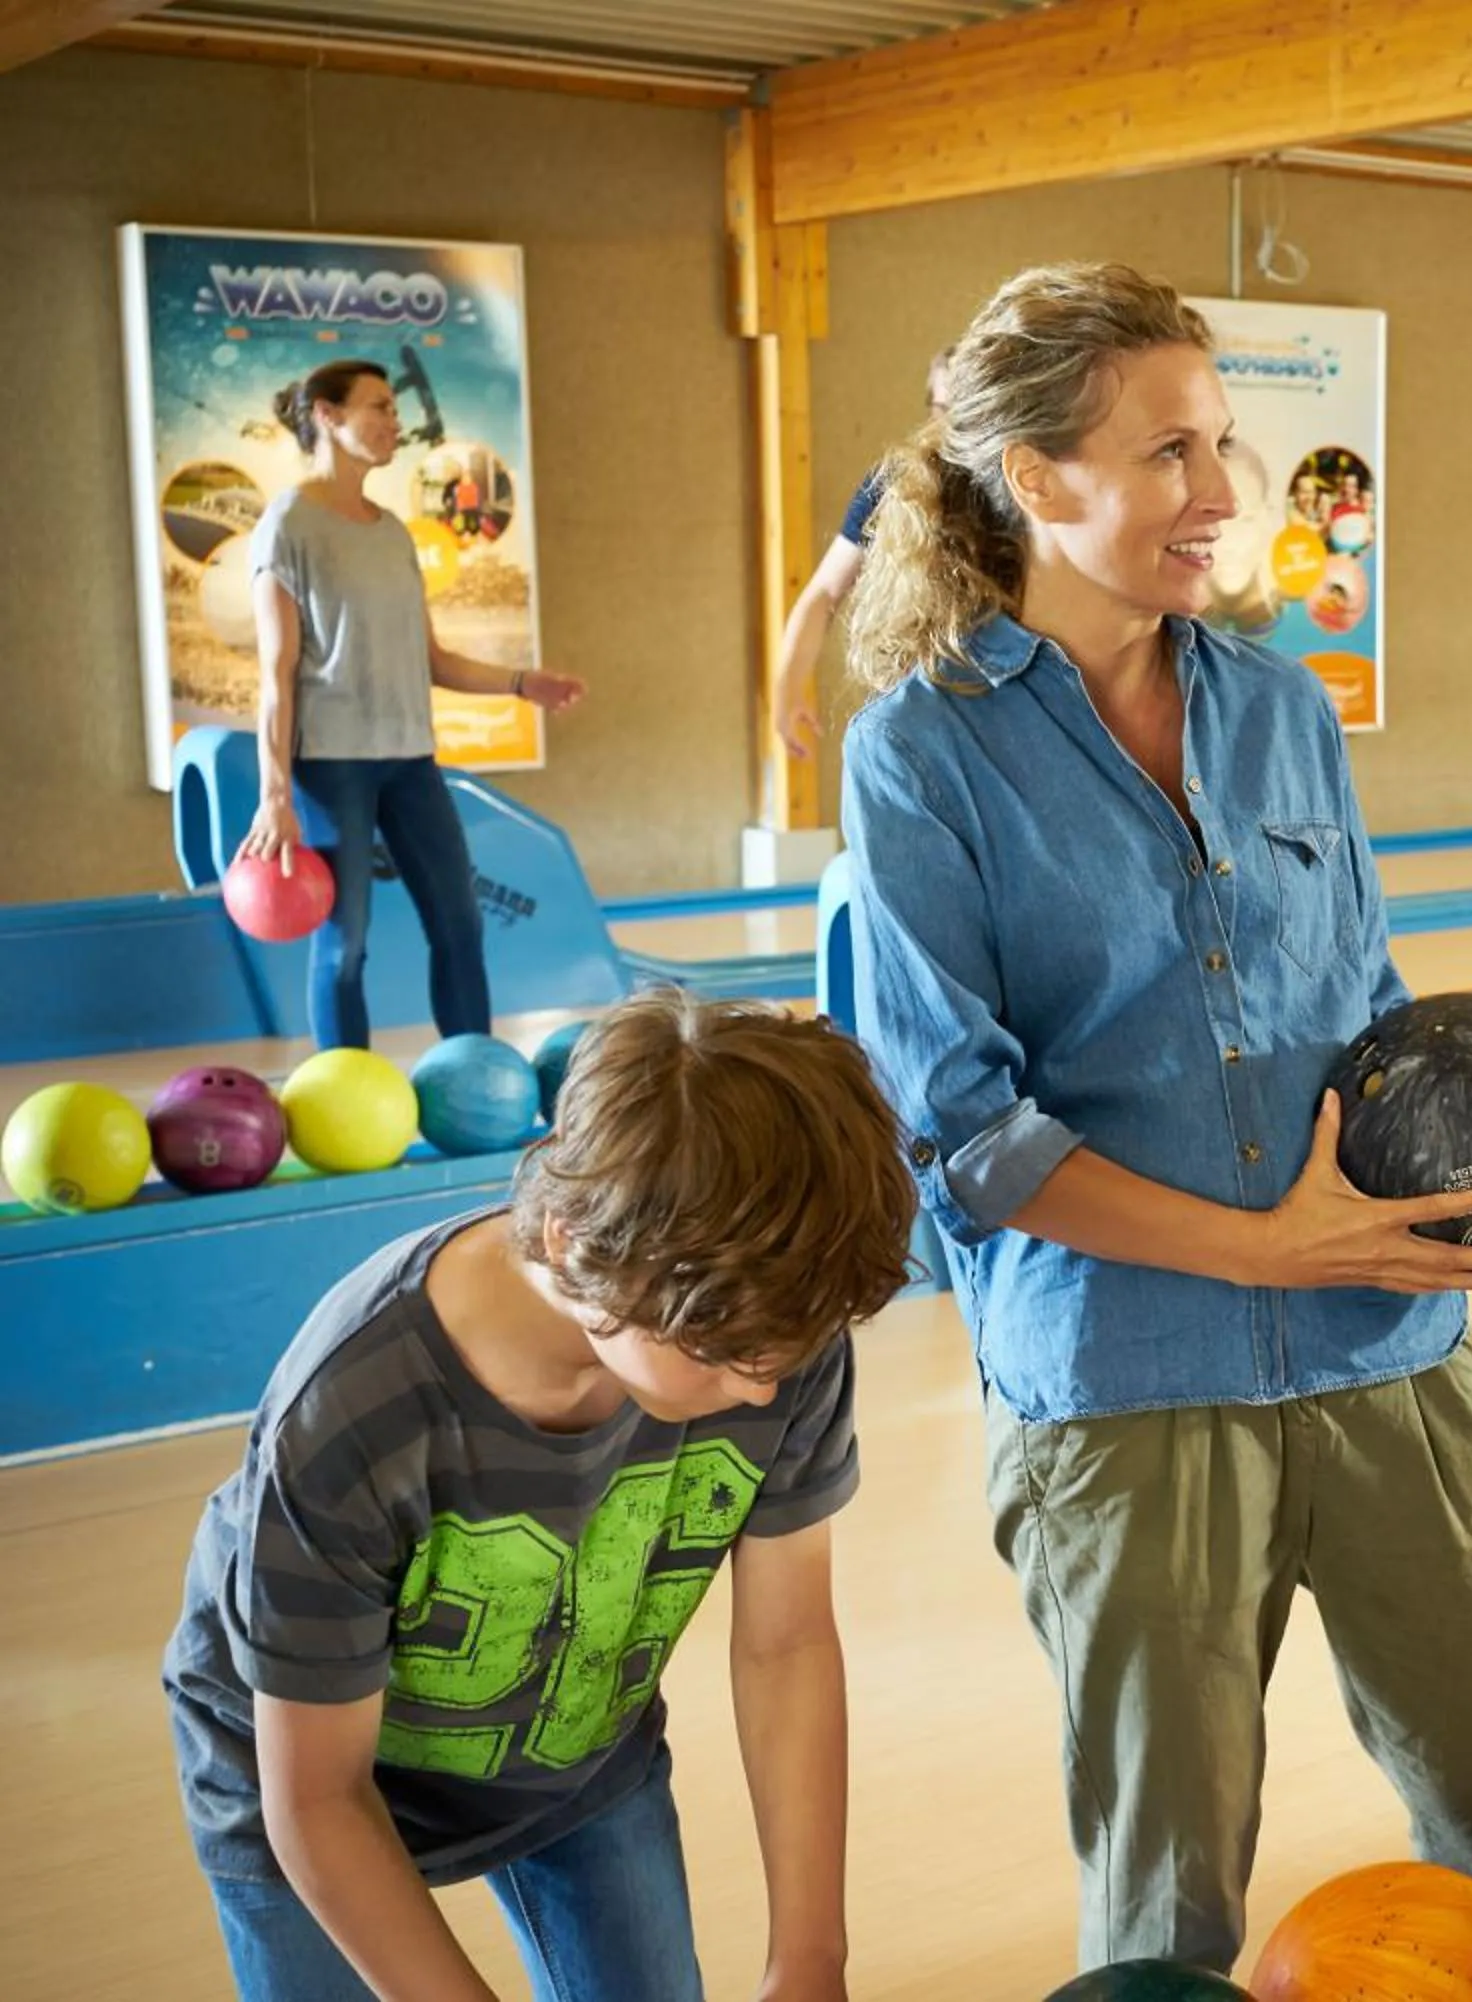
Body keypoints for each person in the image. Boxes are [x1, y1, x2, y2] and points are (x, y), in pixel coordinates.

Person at [837, 262, 1472, 1974]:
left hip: (1385, 1360)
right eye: (1170, 452)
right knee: (1168, 1913)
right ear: (1036, 480)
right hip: (1127, 1396)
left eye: (1223, 445)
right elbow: (962, 1136)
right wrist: (1258, 1240)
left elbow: (1370, 1008)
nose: (1222, 497)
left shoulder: (1284, 709)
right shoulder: (920, 760)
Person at [161, 990, 920, 2001]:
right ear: (570, 1242)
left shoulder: (770, 1320)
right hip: (307, 1787)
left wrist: (811, 1956)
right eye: (726, 1354)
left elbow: (784, 1644)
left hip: (574, 1754)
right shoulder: (356, 1410)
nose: (764, 1387)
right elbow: (321, 1800)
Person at [238, 359, 584, 1051]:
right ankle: (346, 1092)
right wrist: (275, 793)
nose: (397, 422)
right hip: (331, 766)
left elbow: (433, 661)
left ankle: (477, 1074)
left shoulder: (392, 531)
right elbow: (276, 674)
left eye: (396, 408)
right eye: (379, 407)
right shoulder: (288, 525)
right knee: (347, 944)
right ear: (328, 417)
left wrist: (522, 684)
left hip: (410, 761)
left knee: (461, 925)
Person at [768, 346, 955, 757]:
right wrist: (787, 687)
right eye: (942, 408)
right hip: (918, 692)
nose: (951, 425)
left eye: (965, 410)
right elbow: (823, 593)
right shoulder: (897, 481)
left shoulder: (1018, 486)